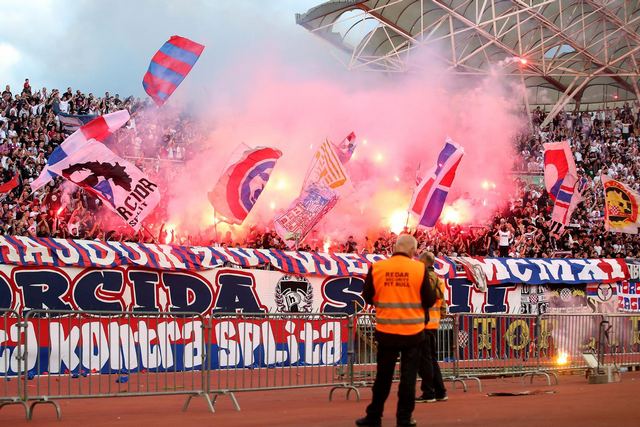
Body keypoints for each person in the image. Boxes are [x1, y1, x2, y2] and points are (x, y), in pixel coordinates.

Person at [356, 234, 436, 427]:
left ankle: (374, 416)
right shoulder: (419, 268)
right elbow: (429, 299)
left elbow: (367, 296)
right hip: (413, 332)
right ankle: (404, 418)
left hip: (386, 330)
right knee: (408, 378)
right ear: (413, 251)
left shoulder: (378, 267)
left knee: (383, 377)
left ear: (394, 248)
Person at [415, 251, 448, 403]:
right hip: (434, 323)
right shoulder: (440, 280)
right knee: (431, 359)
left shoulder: (425, 278)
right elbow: (443, 305)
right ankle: (440, 391)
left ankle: (429, 392)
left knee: (425, 360)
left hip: (423, 322)